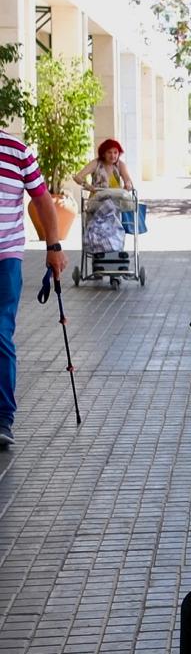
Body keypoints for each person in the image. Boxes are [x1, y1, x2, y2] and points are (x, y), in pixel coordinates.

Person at [0, 131, 69, 450]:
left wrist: (53, 245)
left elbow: (42, 199)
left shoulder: (16, 149)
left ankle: (2, 417)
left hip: (6, 254)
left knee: (1, 331)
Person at [74, 138, 137, 260]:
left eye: (115, 152)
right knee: (97, 233)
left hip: (114, 205)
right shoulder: (96, 164)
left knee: (115, 232)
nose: (113, 155)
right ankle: (98, 260)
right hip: (97, 204)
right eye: (109, 152)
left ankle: (115, 256)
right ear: (103, 153)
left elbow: (128, 181)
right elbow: (78, 177)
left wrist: (128, 185)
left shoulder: (120, 165)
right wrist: (88, 186)